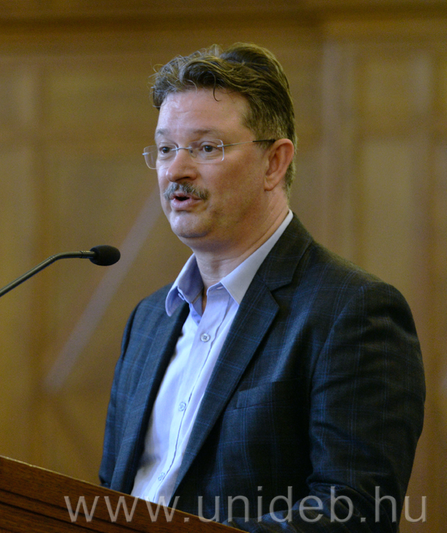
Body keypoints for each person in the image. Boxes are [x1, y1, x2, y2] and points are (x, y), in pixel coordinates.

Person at [99, 43, 426, 532]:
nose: (176, 170)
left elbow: (355, 512)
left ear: (274, 162)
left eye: (206, 147)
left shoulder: (352, 312)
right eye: (166, 149)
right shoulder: (149, 320)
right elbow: (110, 495)